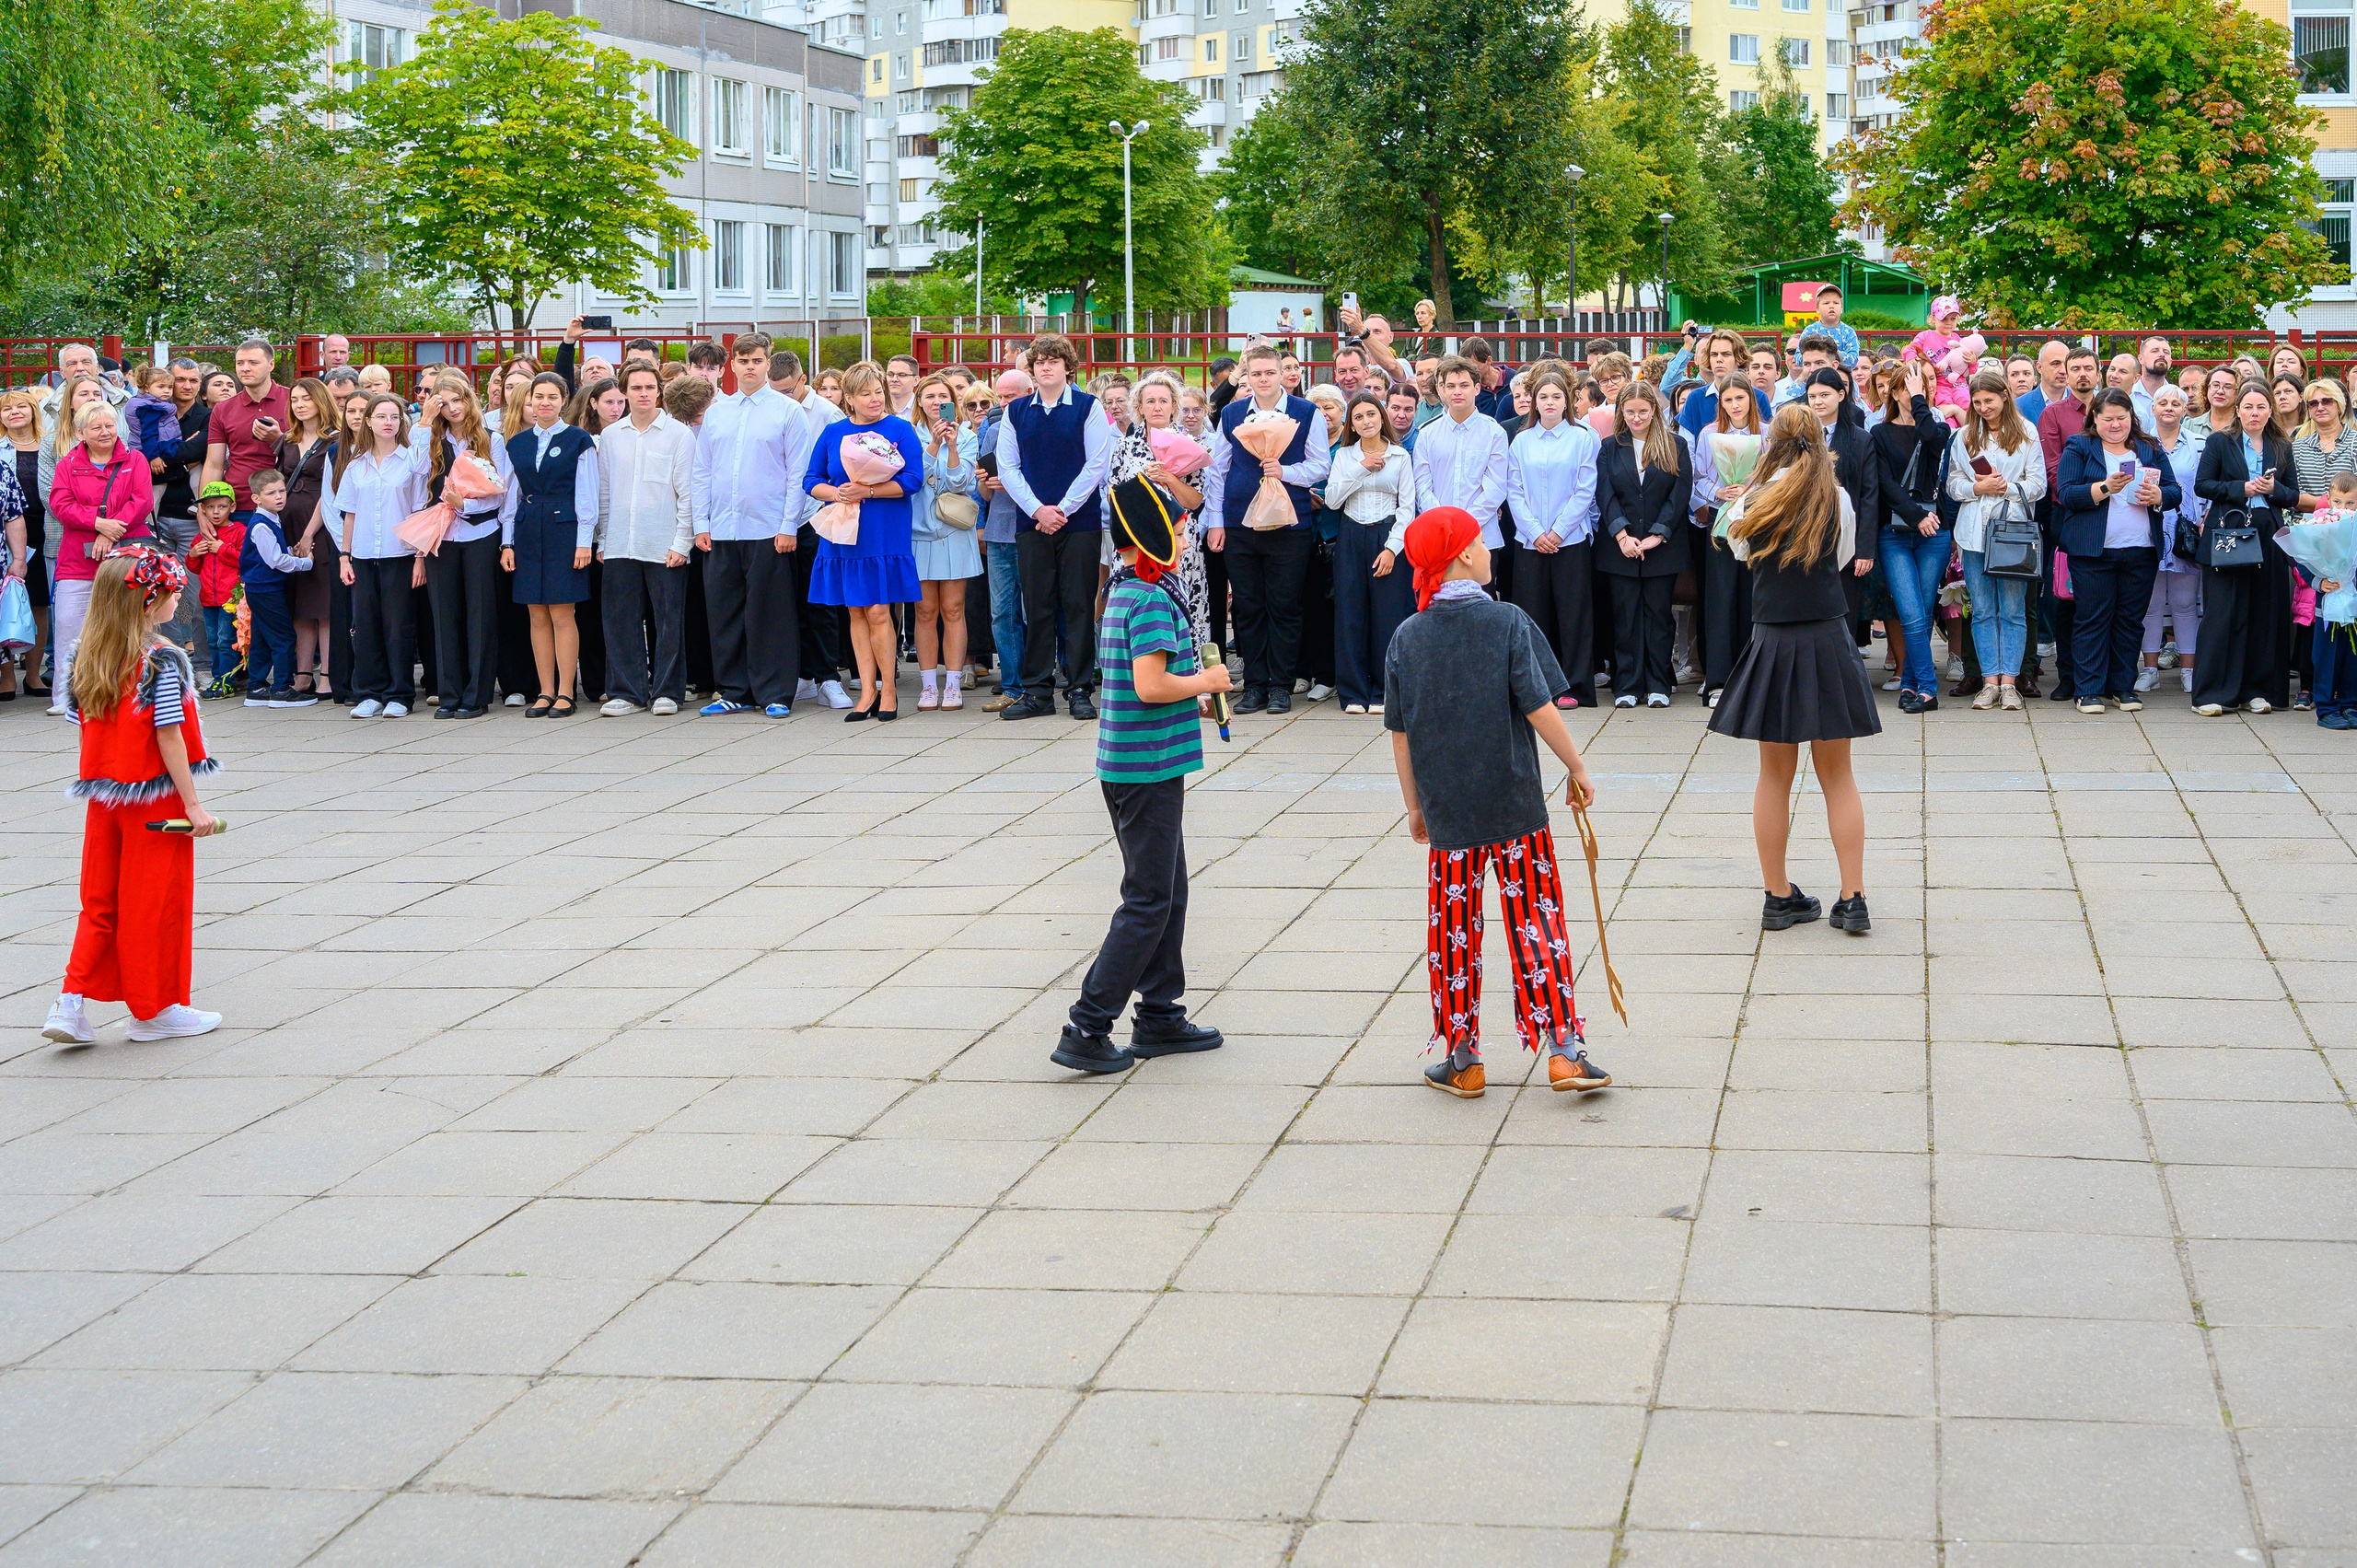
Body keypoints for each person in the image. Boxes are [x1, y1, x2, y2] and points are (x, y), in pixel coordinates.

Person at [1386, 505, 1608, 1099]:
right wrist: (1576, 764)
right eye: (1481, 541)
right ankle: (1563, 1047)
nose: (1489, 548)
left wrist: (1413, 806)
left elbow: (1400, 733)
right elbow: (1539, 707)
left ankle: (1462, 1056)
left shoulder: (1407, 636)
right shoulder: (1507, 623)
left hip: (1447, 811)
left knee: (1453, 931)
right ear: (1462, 554)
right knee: (1536, 919)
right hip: (1514, 805)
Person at [1052, 443, 1231, 1075]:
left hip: (1141, 761)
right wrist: (1206, 686)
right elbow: (1152, 686)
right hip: (1144, 767)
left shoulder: (1132, 588)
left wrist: (1198, 694)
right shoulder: (1150, 598)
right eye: (1177, 526)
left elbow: (1154, 680)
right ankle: (1088, 1023)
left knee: (1169, 891)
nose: (1184, 535)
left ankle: (1159, 1013)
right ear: (1157, 534)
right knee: (1150, 898)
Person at [43, 548, 223, 1048]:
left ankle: (71, 1001)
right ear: (148, 602)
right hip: (154, 802)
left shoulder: (85, 655)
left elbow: (83, 725)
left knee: (98, 902)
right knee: (156, 904)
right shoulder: (163, 659)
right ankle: (154, 1009)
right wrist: (192, 805)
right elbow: (168, 735)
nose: (177, 598)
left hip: (104, 797)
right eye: (170, 592)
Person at [1713, 404, 1880, 935]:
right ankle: (1852, 898)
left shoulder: (1755, 498)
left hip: (1773, 641)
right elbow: (1845, 552)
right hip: (1828, 637)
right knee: (1839, 777)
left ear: (1772, 444)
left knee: (1773, 777)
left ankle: (1777, 896)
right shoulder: (1838, 496)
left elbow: (1738, 552)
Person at [1201, 343, 1332, 714]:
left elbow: (1320, 465)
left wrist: (1285, 472)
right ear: (1247, 377)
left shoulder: (1307, 413)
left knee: (1285, 605)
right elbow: (1217, 471)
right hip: (1240, 523)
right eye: (1255, 374)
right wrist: (1216, 522)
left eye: (1269, 373)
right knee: (1247, 606)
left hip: (1289, 523)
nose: (1263, 380)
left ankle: (1281, 686)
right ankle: (1255, 685)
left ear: (1283, 374)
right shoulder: (1231, 414)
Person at [690, 334, 813, 720]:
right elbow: (702, 471)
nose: (749, 367)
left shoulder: (787, 412)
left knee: (770, 613)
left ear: (767, 363)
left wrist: (788, 525)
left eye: (756, 361)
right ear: (732, 365)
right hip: (723, 528)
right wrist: (701, 522)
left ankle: (775, 691)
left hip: (768, 529)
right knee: (724, 612)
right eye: (742, 360)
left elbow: (798, 474)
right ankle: (733, 690)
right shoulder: (717, 412)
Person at [997, 334, 1114, 720]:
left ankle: (1080, 689)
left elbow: (1096, 464)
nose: (1046, 367)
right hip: (1032, 524)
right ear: (1031, 369)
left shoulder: (1088, 407)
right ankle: (1037, 692)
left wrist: (1061, 509)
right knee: (1037, 606)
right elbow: (1008, 468)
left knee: (1078, 605)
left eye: (1053, 361)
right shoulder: (1016, 412)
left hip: (1077, 523)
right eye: (1039, 362)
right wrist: (1037, 510)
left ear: (1068, 367)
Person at [806, 362, 923, 721]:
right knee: (855, 610)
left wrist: (868, 490)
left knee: (877, 610)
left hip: (883, 531)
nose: (874, 399)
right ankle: (866, 689)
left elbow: (913, 480)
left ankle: (889, 689)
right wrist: (838, 493)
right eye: (865, 394)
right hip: (843, 531)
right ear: (850, 400)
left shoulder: (900, 429)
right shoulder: (833, 432)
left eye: (878, 392)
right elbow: (811, 479)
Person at [2056, 387, 2177, 714]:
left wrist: (2159, 496)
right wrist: (2105, 488)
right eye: (2107, 418)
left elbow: (2174, 490)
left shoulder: (2149, 447)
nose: (2114, 425)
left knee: (2129, 621)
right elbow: (2066, 494)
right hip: (2093, 551)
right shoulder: (2079, 446)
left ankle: (2122, 687)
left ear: (2131, 417)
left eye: (2121, 418)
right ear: (2094, 419)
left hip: (2141, 550)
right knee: (2092, 619)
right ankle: (2089, 689)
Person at [596, 360, 696, 716]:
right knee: (620, 618)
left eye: (649, 388)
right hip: (621, 541)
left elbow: (687, 494)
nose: (643, 394)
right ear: (624, 391)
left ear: (659, 391)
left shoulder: (679, 435)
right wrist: (603, 540)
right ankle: (627, 691)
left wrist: (682, 542)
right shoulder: (611, 436)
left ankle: (668, 690)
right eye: (636, 388)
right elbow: (604, 493)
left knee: (668, 620)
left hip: (664, 542)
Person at [2192, 381, 2298, 715]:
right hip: (2229, 530)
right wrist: (2243, 487)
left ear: (2271, 411)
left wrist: (2272, 488)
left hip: (2268, 533)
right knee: (2224, 612)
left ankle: (2258, 690)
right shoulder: (2219, 442)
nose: (2255, 413)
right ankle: (2213, 693)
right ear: (2238, 410)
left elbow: (2293, 495)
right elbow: (2203, 485)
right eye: (2249, 407)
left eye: (2261, 407)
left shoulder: (2281, 445)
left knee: (2265, 612)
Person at [1947, 369, 2049, 713]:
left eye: (1988, 400)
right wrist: (1977, 487)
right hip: (1974, 533)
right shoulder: (1964, 435)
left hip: (2011, 532)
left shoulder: (2026, 433)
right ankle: (1989, 681)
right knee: (1983, 609)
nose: (1983, 407)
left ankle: (2010, 682)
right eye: (1977, 403)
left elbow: (2039, 484)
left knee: (2013, 609)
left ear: (2004, 396)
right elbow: (1952, 483)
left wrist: (2007, 487)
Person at [501, 372, 598, 717]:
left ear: (564, 400)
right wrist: (506, 543)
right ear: (529, 402)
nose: (544, 403)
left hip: (564, 529)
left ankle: (566, 692)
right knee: (535, 612)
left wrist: (584, 541)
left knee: (561, 612)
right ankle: (544, 691)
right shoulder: (516, 442)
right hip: (527, 529)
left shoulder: (579, 439)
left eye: (552, 397)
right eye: (538, 397)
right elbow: (509, 496)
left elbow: (588, 493)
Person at [1504, 370, 1602, 711]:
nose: (1549, 403)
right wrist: (1535, 532)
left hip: (1570, 540)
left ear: (1568, 401)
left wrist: (1558, 531)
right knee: (1533, 615)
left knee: (1574, 616)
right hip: (1530, 542)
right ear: (1533, 400)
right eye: (1543, 397)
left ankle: (1574, 686)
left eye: (1556, 397)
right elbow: (1513, 491)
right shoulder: (1521, 440)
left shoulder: (1582, 438)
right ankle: (1537, 686)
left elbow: (1585, 489)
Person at [421, 374, 515, 719]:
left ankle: (476, 696)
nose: (453, 408)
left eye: (458, 400)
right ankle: (449, 695)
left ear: (469, 400)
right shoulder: (430, 438)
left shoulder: (492, 439)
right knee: (444, 616)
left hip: (480, 534)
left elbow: (501, 493)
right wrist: (424, 422)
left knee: (480, 615)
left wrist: (466, 506)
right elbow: (415, 475)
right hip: (441, 537)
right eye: (444, 402)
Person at [1596, 381, 1693, 707]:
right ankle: (1627, 685)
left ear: (1655, 410)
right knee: (1624, 617)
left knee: (1658, 616)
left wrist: (1658, 534)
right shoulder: (1610, 446)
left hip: (1661, 547)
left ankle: (1658, 684)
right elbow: (1605, 493)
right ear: (1621, 411)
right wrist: (1621, 533)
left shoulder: (1675, 445)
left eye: (1643, 411)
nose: (1637, 418)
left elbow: (1680, 494)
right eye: (1630, 411)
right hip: (1619, 547)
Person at [325, 394, 422, 718]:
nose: (388, 422)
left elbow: (419, 511)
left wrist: (420, 556)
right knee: (365, 625)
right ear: (368, 421)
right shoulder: (355, 465)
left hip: (401, 554)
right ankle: (369, 691)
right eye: (380, 416)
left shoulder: (411, 462)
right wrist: (344, 556)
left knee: (398, 627)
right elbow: (349, 514)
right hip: (363, 555)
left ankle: (400, 693)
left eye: (394, 416)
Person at [49, 401, 156, 691]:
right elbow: (60, 504)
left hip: (127, 552)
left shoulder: (135, 460)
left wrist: (109, 531)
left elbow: (142, 501)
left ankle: (125, 689)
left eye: (109, 425)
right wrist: (98, 523)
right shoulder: (67, 465)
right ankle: (66, 693)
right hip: (77, 559)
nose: (105, 432)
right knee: (70, 626)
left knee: (127, 625)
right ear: (81, 432)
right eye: (96, 427)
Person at [1327, 390, 1418, 714]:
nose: (1366, 422)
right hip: (1351, 534)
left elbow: (1407, 509)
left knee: (1388, 614)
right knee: (1350, 612)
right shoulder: (1344, 456)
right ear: (1351, 423)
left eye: (1371, 415)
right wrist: (1362, 468)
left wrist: (1393, 549)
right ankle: (1353, 692)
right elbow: (1333, 500)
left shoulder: (1400, 456)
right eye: (1359, 417)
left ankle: (1384, 690)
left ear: (1382, 417)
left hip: (1388, 534)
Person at [1872, 361, 1956, 713]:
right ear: (1893, 392)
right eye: (1907, 386)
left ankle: (1910, 684)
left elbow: (1931, 439)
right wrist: (1917, 516)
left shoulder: (1936, 428)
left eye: (1921, 385)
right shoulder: (1879, 432)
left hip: (1934, 533)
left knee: (1921, 610)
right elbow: (1886, 485)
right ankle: (1928, 688)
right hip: (1895, 531)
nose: (1916, 392)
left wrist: (1920, 398)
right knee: (1909, 611)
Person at [1691, 377, 1767, 705]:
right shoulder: (1708, 435)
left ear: (1751, 399)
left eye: (1740, 398)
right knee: (1720, 598)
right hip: (1722, 521)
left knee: (1753, 598)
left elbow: (1775, 474)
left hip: (1757, 520)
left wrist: (1752, 491)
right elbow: (1698, 478)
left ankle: (1754, 676)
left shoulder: (1767, 432)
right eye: (1728, 400)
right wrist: (1720, 492)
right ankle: (1719, 679)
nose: (1735, 405)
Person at [910, 372, 981, 709]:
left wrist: (951, 445)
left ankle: (952, 683)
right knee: (924, 610)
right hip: (917, 532)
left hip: (954, 531)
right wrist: (933, 445)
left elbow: (961, 483)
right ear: (919, 401)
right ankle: (928, 685)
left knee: (953, 608)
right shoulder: (907, 433)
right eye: (930, 397)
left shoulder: (966, 435)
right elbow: (911, 480)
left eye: (943, 397)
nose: (937, 403)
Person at [2038, 347, 2102, 698]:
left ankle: (2100, 675)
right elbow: (2053, 469)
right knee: (2068, 597)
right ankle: (2068, 675)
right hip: (2069, 514)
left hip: (2113, 516)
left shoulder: (2115, 411)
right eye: (2073, 368)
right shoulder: (2055, 415)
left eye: (2087, 368)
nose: (2080, 374)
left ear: (2098, 372)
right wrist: (2084, 494)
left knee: (2102, 599)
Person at [274, 378, 341, 700]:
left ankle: (327, 675)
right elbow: (277, 481)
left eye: (306, 399)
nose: (300, 405)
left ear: (320, 401)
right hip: (288, 523)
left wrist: (308, 533)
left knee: (322, 603)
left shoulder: (336, 441)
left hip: (321, 527)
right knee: (299, 603)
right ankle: (302, 675)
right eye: (295, 400)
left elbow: (331, 492)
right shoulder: (288, 440)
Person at [2140, 383, 2203, 700]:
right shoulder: (2140, 444)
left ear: (2184, 409)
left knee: (2183, 604)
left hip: (2184, 533)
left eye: (2175, 403)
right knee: (2150, 605)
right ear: (2152, 408)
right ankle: (2149, 670)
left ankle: (2189, 671)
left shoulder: (2197, 444)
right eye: (2162, 402)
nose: (2168, 408)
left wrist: (2203, 520)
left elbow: (2202, 488)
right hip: (2148, 531)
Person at [236, 467, 317, 707]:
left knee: (261, 637)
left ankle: (257, 686)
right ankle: (281, 689)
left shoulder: (271, 520)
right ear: (256, 498)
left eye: (282, 490)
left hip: (261, 588)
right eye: (271, 493)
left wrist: (290, 550)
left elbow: (273, 554)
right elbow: (275, 561)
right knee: (284, 636)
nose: (279, 496)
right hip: (265, 589)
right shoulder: (261, 525)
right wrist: (305, 563)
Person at [976, 368, 1032, 713]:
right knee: (1002, 613)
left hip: (1034, 529)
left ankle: (1044, 680)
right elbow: (982, 492)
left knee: (1037, 611)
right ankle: (1013, 685)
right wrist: (988, 483)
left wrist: (1012, 483)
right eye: (1000, 396)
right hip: (999, 531)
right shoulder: (994, 430)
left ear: (1031, 391)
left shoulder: (1041, 427)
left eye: (1010, 396)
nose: (1003, 403)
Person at [200, 339, 291, 516]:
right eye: (240, 363)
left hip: (287, 501)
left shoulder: (294, 400)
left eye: (253, 363)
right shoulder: (223, 408)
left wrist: (280, 439)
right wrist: (204, 508)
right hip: (239, 504)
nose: (245, 368)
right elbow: (213, 465)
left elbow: (313, 453)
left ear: (271, 365)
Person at [2, 389, 52, 701]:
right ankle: (6, 676)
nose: (15, 412)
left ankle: (33, 675)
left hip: (44, 530)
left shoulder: (50, 445)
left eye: (22, 406)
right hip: (9, 532)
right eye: (7, 409)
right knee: (6, 603)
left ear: (34, 410)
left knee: (37, 603)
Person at [187, 482, 244, 695]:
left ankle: (226, 680)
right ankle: (218, 678)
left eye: (221, 506)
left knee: (225, 640)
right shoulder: (203, 534)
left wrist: (222, 549)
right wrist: (193, 555)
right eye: (210, 507)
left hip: (230, 597)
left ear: (232, 507)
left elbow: (244, 560)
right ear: (203, 510)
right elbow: (194, 568)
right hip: (208, 598)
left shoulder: (239, 531)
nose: (216, 512)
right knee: (213, 640)